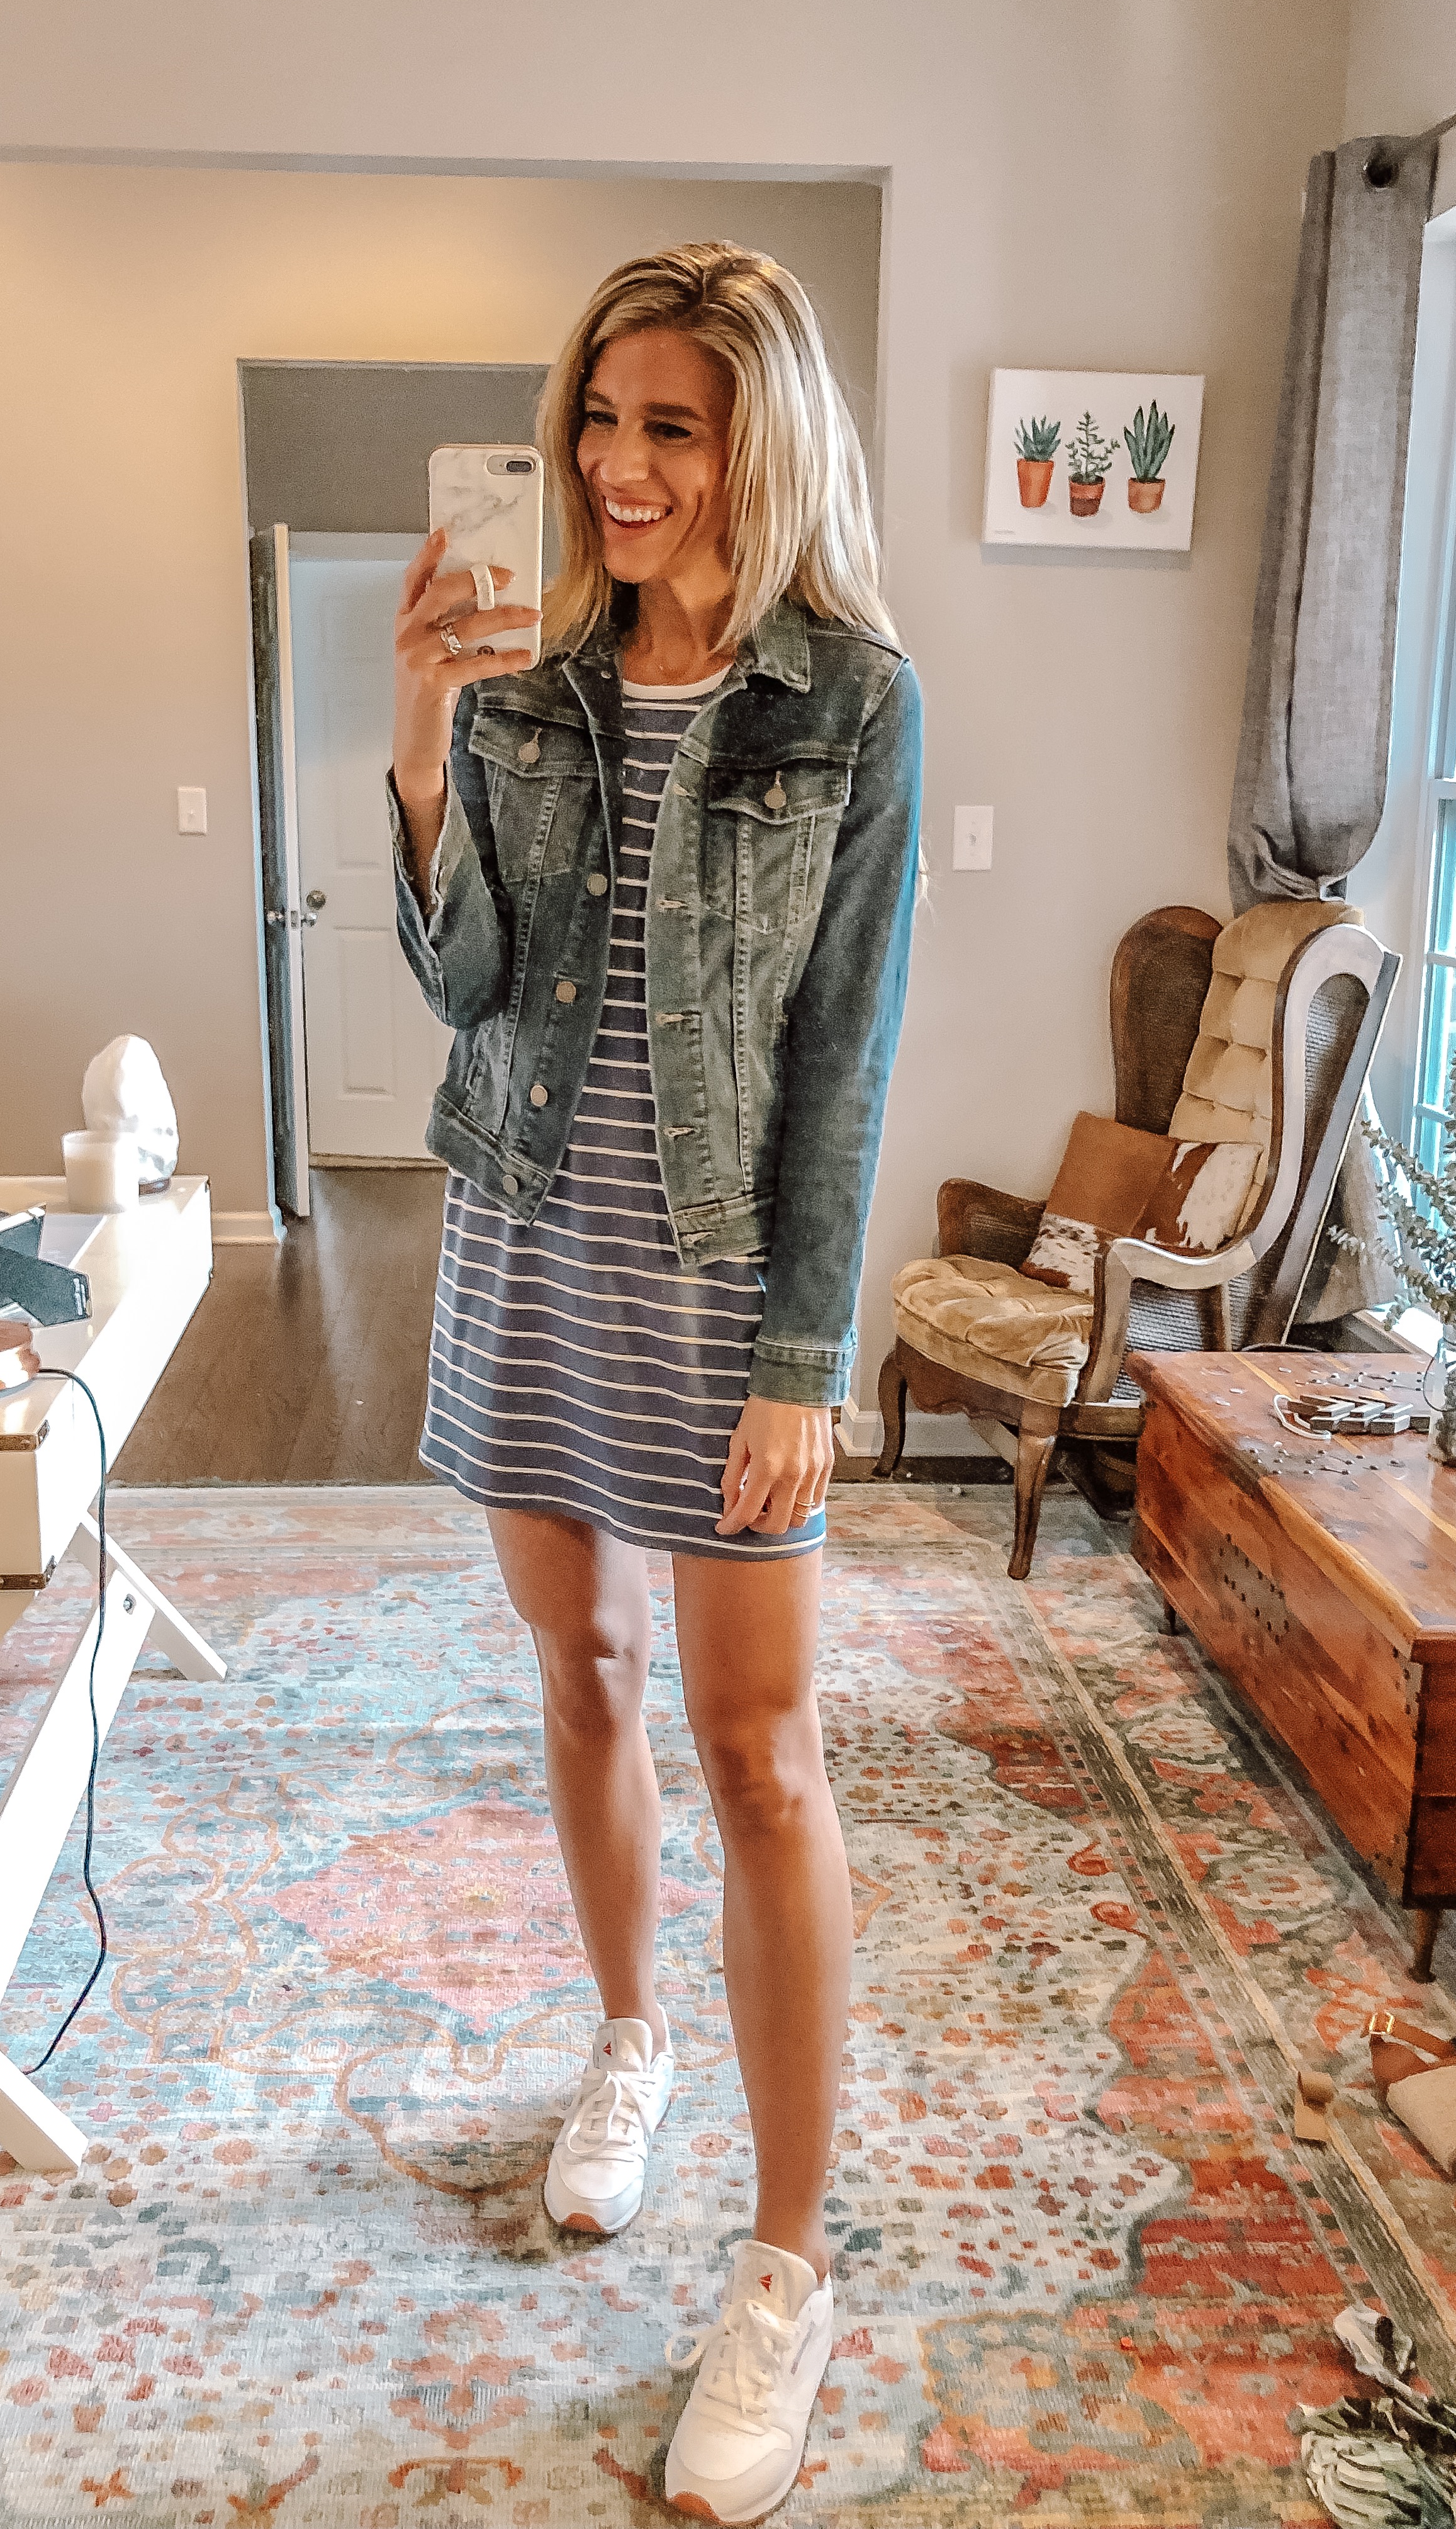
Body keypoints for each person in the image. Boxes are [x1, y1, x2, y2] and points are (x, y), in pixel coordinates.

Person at [388, 240, 921, 2526]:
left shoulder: (856, 704)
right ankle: (628, 2045)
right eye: (597, 420)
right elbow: (466, 986)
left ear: (755, 445)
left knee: (762, 1756)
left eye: (668, 427)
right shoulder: (530, 689)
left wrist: (807, 1361)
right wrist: (421, 739)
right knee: (583, 1673)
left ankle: (786, 2274)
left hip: (725, 1293)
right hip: (532, 1237)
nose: (616, 465)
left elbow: (847, 1058)